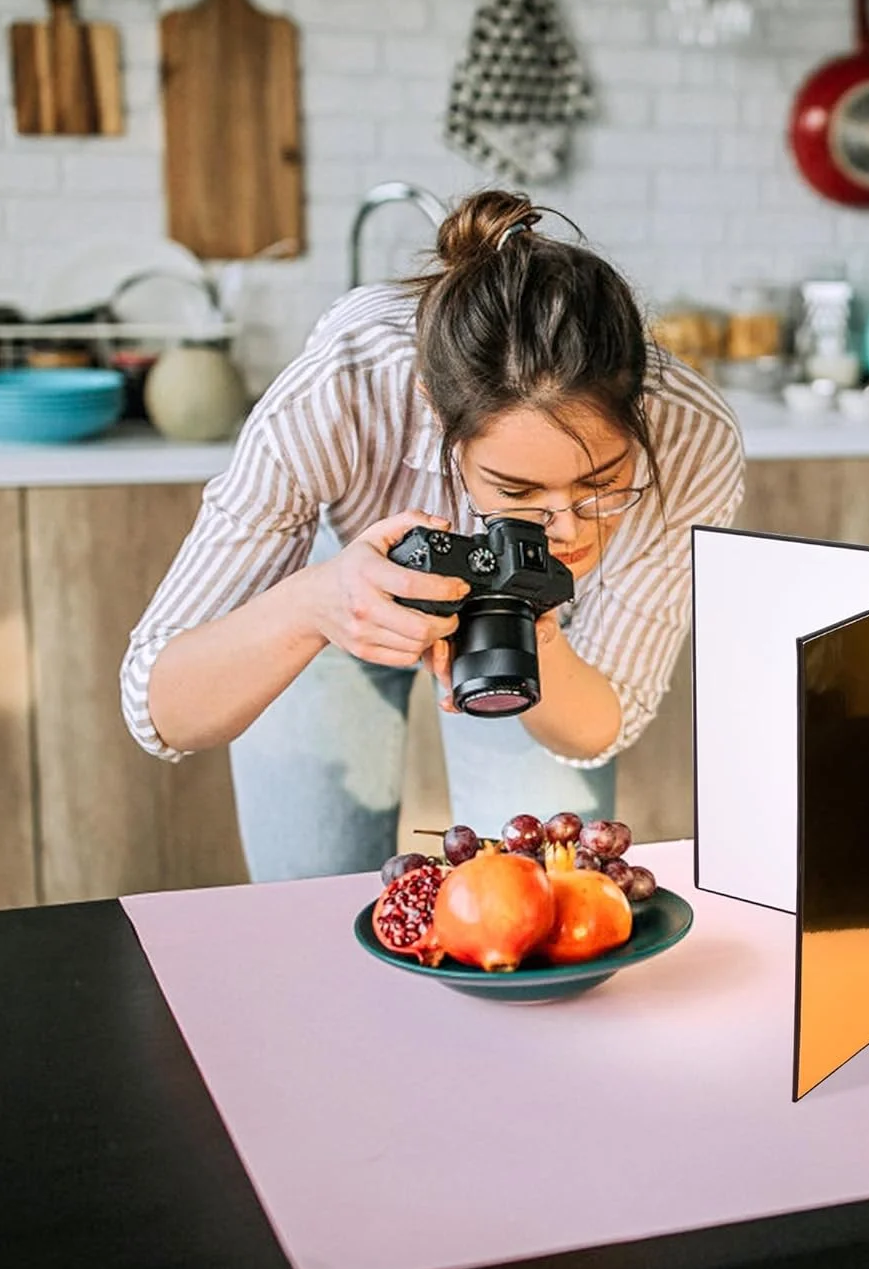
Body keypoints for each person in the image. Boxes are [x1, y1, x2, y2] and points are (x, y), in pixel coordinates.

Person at [120, 190, 745, 884]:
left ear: (642, 414)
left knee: (540, 891)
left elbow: (603, 722)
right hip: (342, 577)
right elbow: (162, 708)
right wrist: (315, 603)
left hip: (540, 628)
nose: (567, 529)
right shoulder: (347, 382)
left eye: (602, 482)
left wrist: (538, 631)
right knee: (314, 893)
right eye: (517, 492)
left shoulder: (693, 438)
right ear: (433, 411)